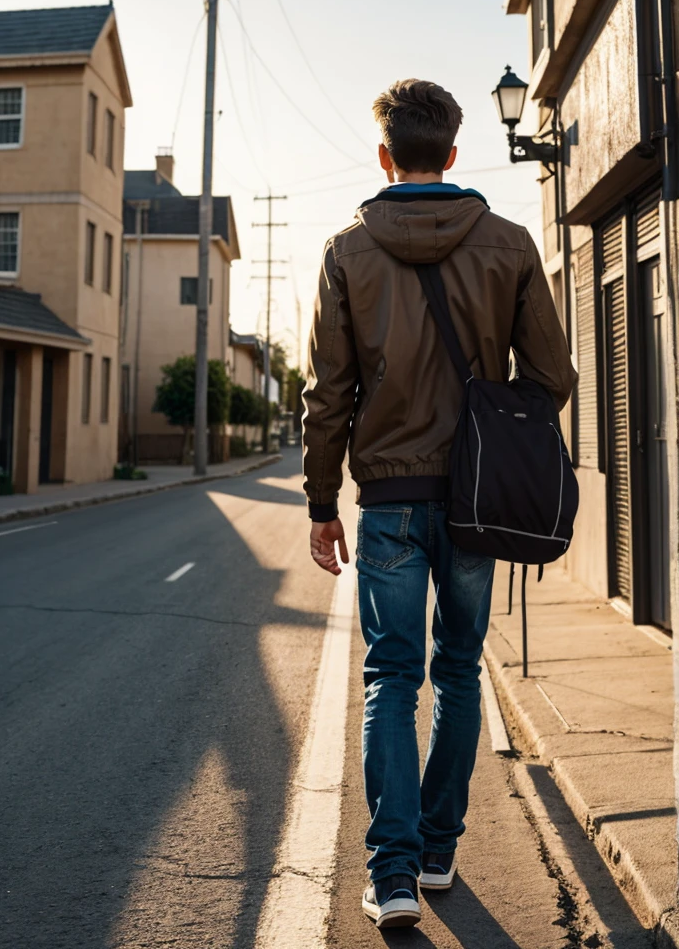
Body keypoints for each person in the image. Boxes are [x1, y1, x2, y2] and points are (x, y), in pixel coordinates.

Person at [302, 79, 576, 930]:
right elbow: (556, 377)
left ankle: (388, 877)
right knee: (460, 670)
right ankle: (436, 851)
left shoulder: (347, 249)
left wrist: (322, 500)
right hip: (474, 501)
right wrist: (493, 418)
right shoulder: (509, 243)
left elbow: (327, 391)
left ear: (386, 155)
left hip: (386, 497)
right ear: (453, 152)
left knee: (392, 674)